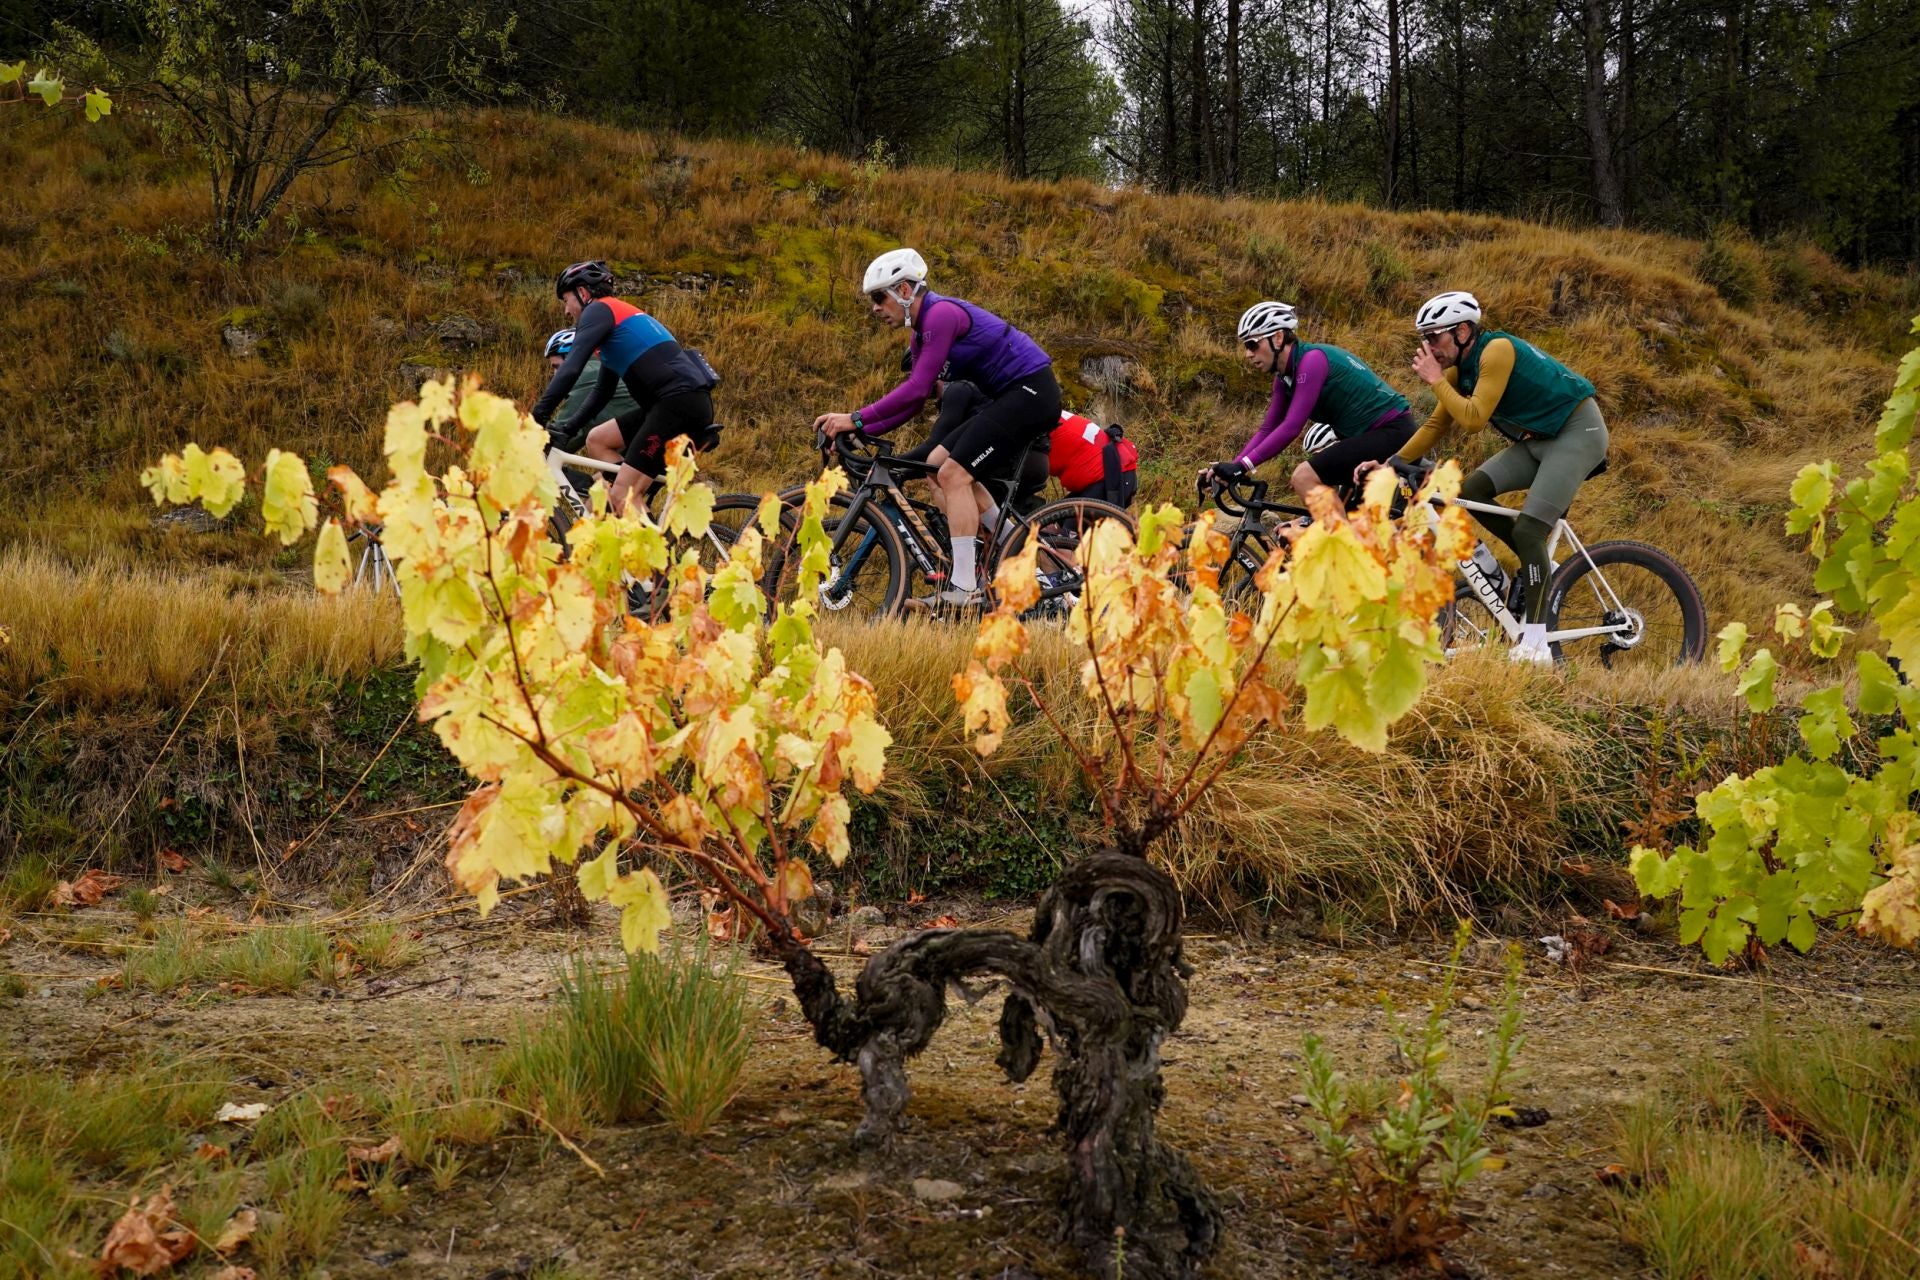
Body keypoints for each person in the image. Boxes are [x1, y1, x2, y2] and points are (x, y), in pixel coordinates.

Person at [813, 248, 1060, 606]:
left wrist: (855, 417)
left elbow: (914, 388)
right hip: (1009, 396)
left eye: (879, 298)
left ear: (904, 290)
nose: (875, 308)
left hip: (1031, 391)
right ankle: (1013, 545)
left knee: (953, 476)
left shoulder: (940, 314)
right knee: (937, 466)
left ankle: (963, 587)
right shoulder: (920, 333)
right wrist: (859, 428)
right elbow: (915, 402)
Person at [1376, 290, 1609, 664]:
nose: (1428, 346)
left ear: (1464, 331)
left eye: (1434, 336)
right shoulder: (1458, 369)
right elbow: (1438, 423)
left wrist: (1437, 380)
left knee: (1529, 530)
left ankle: (1536, 645)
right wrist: (1391, 464)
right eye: (1424, 338)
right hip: (1542, 440)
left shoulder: (1496, 349)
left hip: (1577, 433)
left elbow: (1472, 419)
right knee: (1472, 491)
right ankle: (1538, 565)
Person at [530, 260, 719, 515]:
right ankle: (629, 506)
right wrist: (567, 429)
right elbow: (601, 393)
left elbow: (571, 368)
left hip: (676, 405)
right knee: (598, 440)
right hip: (675, 403)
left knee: (622, 497)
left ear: (583, 293)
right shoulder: (614, 328)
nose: (566, 311)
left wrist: (537, 417)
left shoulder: (598, 311)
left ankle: (648, 540)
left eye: (566, 300)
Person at [1200, 301, 1417, 504]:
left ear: (1277, 338)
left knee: (1304, 477)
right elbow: (1267, 429)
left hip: (1392, 431)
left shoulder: (1312, 361)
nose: (1248, 354)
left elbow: (1291, 427)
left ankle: (1343, 546)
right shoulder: (1284, 379)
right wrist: (1235, 465)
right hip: (1369, 437)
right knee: (1355, 520)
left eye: (1252, 344)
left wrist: (1242, 466)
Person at [542, 328, 639, 455]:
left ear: (572, 357)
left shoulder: (588, 374)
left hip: (648, 442)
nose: (555, 375)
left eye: (558, 367)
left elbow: (562, 434)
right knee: (601, 474)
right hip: (639, 442)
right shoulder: (598, 367)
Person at [1048, 410, 1139, 506]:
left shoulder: (1040, 421)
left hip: (1111, 478)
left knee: (1072, 519)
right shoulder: (1050, 412)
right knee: (1054, 517)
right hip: (1115, 471)